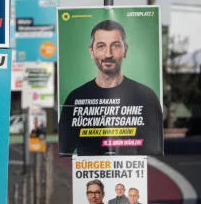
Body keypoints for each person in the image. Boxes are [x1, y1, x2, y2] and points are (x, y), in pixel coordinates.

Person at [58, 19, 163, 155]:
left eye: (115, 46)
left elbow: (154, 150)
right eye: (101, 46)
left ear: (125, 50)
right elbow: (64, 151)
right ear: (92, 51)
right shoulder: (75, 98)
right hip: (91, 176)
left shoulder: (146, 96)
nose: (108, 54)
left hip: (132, 175)